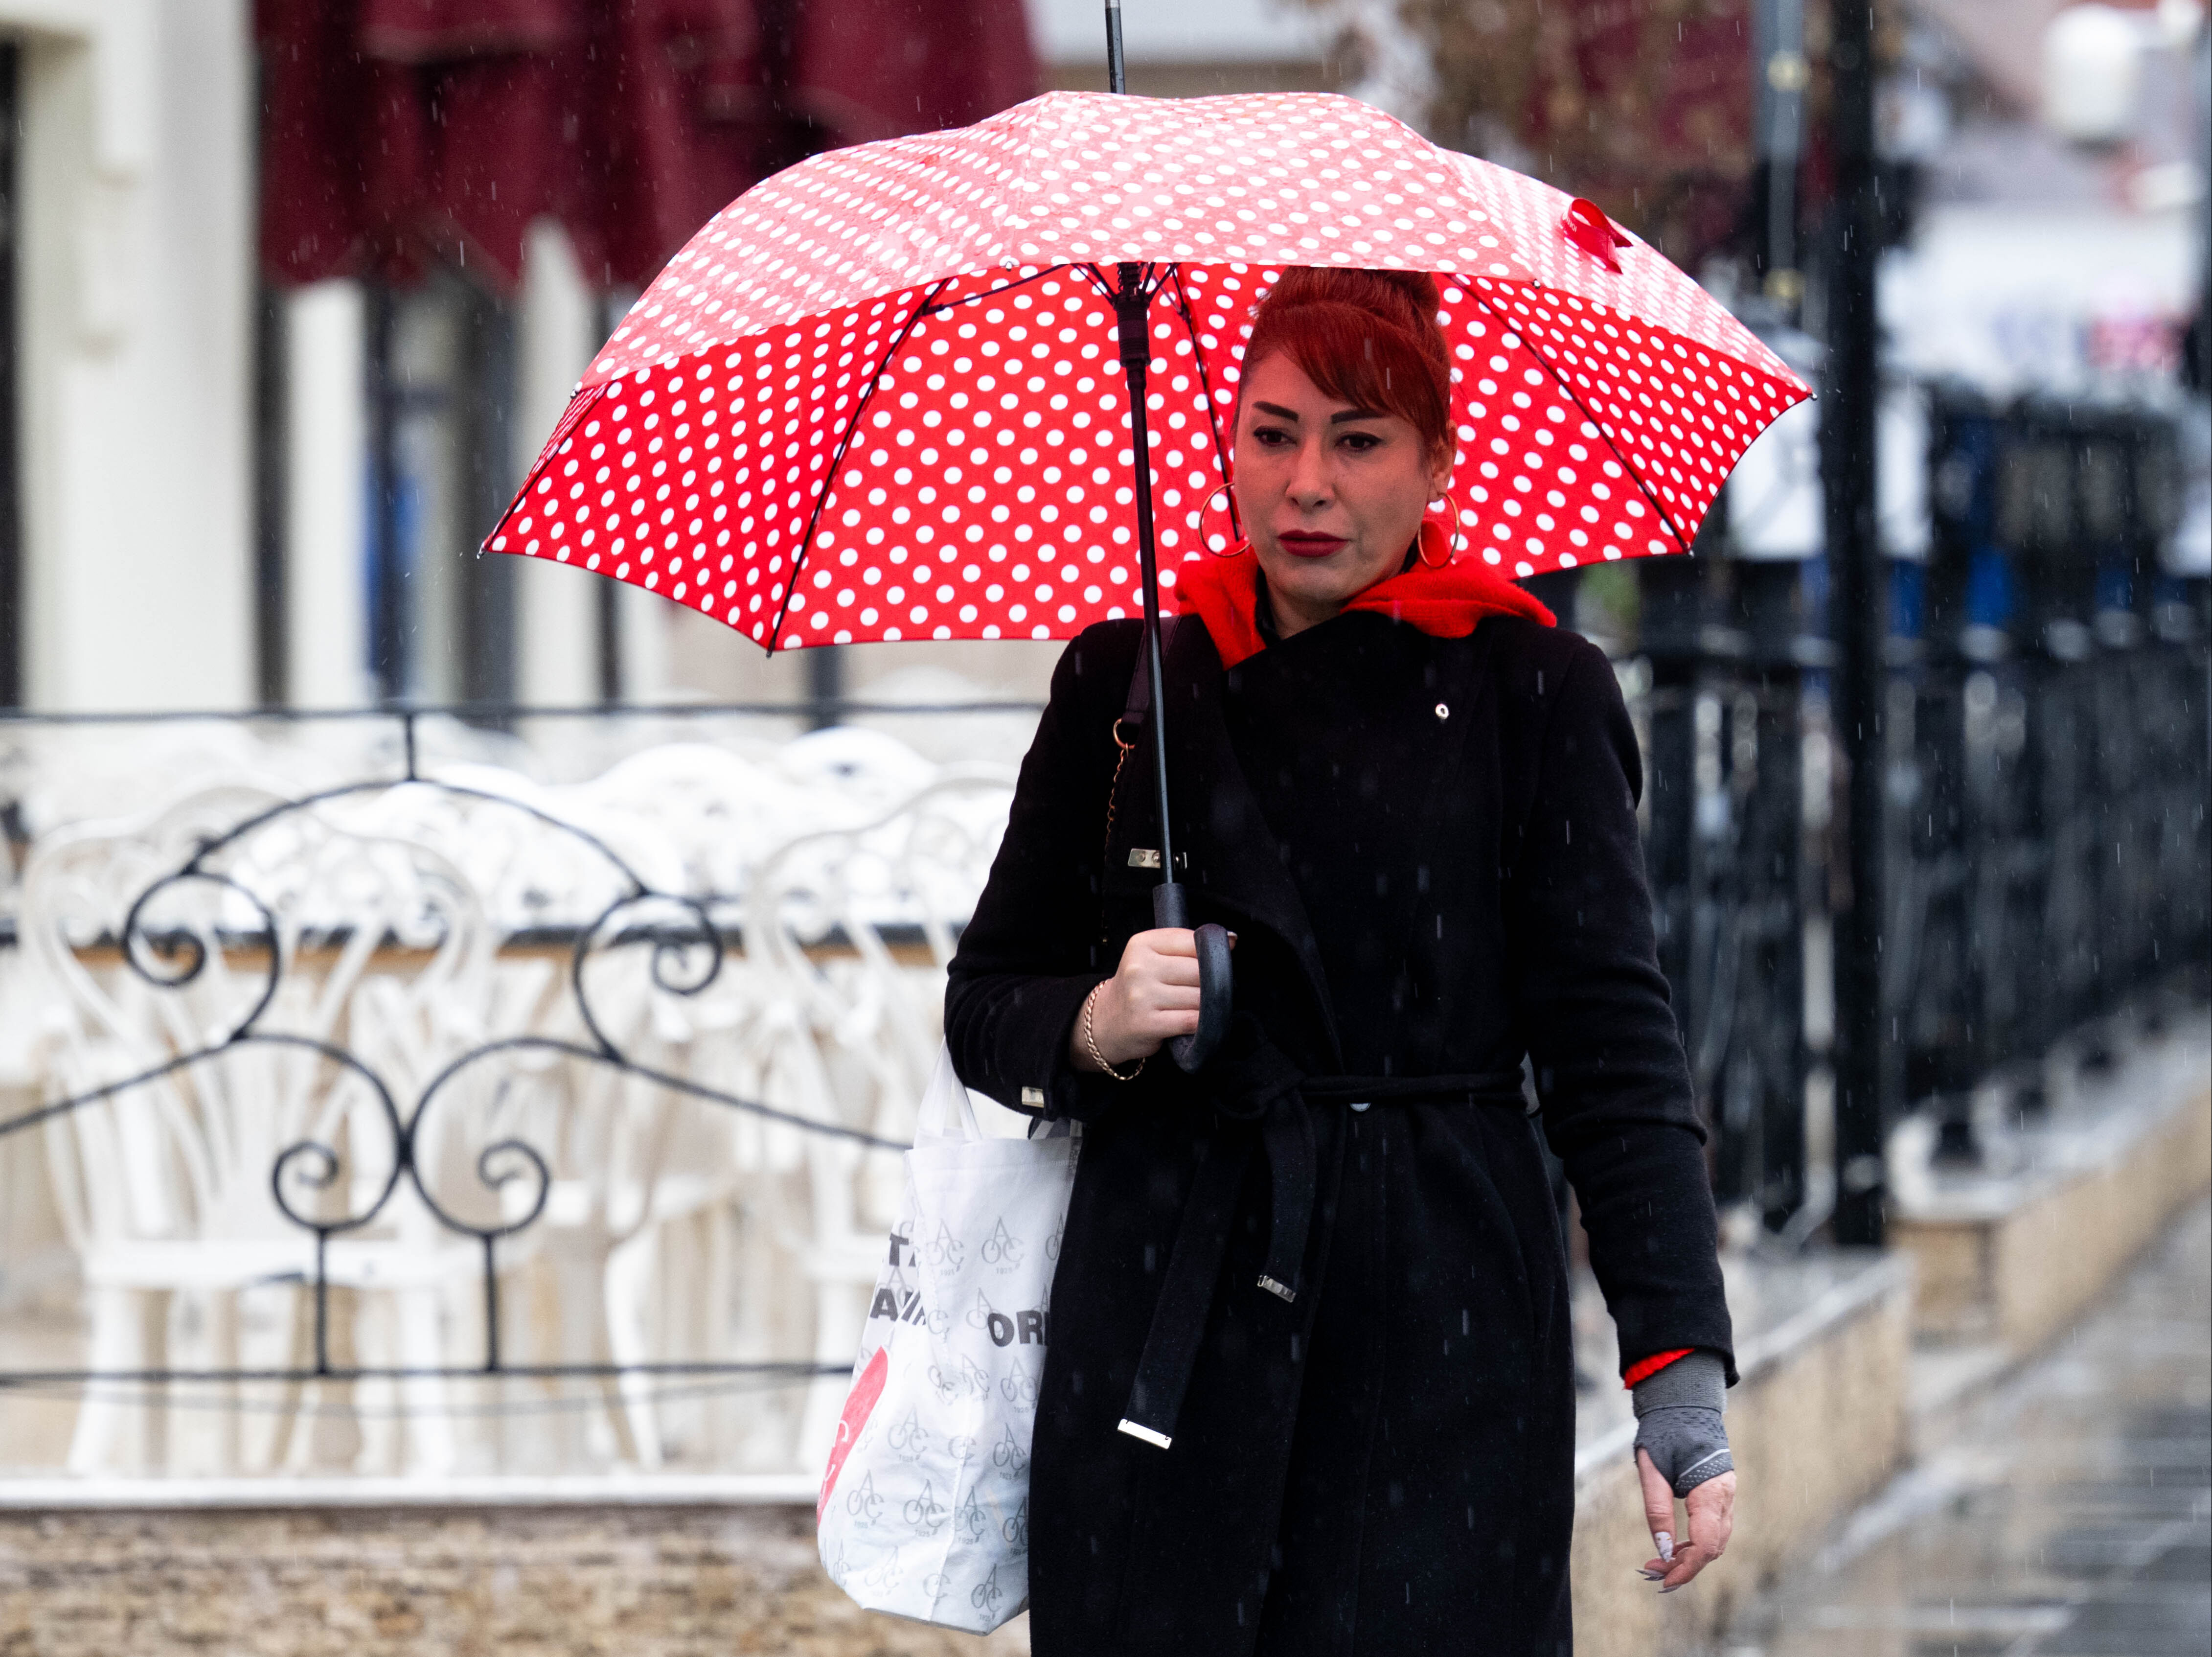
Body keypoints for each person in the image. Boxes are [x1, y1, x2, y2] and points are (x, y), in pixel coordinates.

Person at [944, 266, 1737, 1655]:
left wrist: (1677, 1375)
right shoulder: (1127, 684)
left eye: (1358, 439)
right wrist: (1101, 1022)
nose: (1306, 482)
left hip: (1441, 1308)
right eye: (1271, 433)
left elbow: (1613, 1054)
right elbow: (984, 1005)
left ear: (1438, 462)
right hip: (1167, 1310)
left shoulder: (1532, 692)